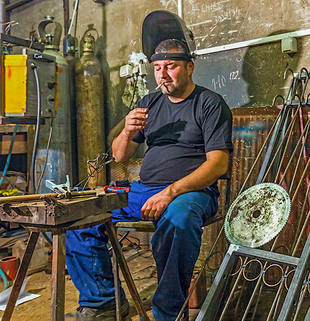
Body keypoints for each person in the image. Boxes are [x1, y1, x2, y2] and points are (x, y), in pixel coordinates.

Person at [65, 38, 233, 320]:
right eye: (157, 68)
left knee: (178, 221)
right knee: (79, 215)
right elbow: (120, 156)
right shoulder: (150, 103)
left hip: (191, 194)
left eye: (171, 66)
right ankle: (102, 303)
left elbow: (218, 165)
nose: (163, 74)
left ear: (189, 67)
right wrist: (127, 132)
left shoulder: (209, 104)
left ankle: (167, 314)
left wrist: (170, 192)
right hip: (143, 190)